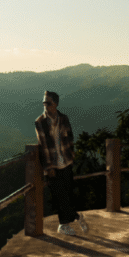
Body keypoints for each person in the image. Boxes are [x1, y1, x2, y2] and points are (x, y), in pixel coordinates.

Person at [35, 91, 89, 236]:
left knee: (67, 195)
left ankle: (70, 221)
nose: (45, 106)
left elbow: (70, 137)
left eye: (48, 103)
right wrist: (49, 168)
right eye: (44, 103)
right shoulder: (40, 122)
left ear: (56, 104)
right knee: (60, 196)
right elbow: (43, 147)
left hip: (66, 161)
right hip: (52, 166)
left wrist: (71, 155)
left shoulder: (64, 118)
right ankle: (68, 222)